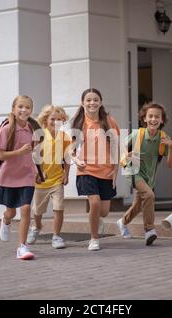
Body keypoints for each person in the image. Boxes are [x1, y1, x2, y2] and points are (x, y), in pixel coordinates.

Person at [116, 102, 172, 245]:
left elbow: (170, 165)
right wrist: (127, 154)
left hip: (149, 177)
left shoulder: (163, 138)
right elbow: (122, 146)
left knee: (138, 205)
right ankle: (149, 230)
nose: (153, 119)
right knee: (149, 195)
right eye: (150, 116)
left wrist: (171, 147)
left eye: (157, 117)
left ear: (162, 120)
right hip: (134, 172)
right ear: (144, 119)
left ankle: (122, 222)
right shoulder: (138, 134)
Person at [70, 88, 120, 251]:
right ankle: (94, 239)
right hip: (86, 170)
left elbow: (115, 147)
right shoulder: (78, 122)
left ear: (100, 102)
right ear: (83, 102)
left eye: (95, 99)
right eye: (89, 100)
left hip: (106, 170)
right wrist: (76, 159)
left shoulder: (109, 121)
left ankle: (96, 218)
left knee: (104, 212)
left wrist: (115, 172)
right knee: (95, 202)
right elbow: (70, 148)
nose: (92, 103)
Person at [0, 95, 44, 260]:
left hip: (27, 176)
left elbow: (34, 152)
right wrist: (19, 152)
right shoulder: (6, 129)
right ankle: (6, 219)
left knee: (25, 209)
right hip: (9, 176)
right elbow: (0, 154)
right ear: (13, 109)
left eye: (28, 107)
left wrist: (36, 168)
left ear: (31, 110)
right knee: (11, 211)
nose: (24, 110)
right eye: (20, 107)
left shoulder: (31, 129)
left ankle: (22, 247)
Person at [26, 105, 71, 249]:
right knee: (38, 211)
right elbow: (32, 157)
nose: (56, 122)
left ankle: (56, 236)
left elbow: (67, 157)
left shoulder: (65, 138)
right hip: (41, 181)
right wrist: (37, 173)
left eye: (60, 119)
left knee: (59, 207)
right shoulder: (39, 135)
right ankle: (36, 226)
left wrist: (66, 174)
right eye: (53, 119)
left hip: (57, 179)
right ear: (46, 119)